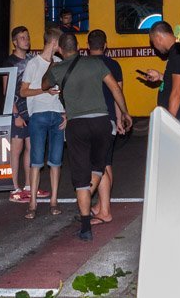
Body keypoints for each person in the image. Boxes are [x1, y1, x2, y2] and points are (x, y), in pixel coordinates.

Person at [46, 33, 129, 240]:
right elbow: (115, 88)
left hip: (77, 125)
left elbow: (44, 84)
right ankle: (95, 201)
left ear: (61, 50)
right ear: (79, 47)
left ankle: (85, 227)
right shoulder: (95, 64)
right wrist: (125, 112)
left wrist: (52, 60)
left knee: (81, 177)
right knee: (98, 168)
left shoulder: (58, 68)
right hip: (102, 122)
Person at [87, 29, 132, 225]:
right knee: (105, 163)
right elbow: (117, 93)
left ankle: (104, 210)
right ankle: (102, 206)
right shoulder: (114, 65)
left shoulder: (85, 65)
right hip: (110, 120)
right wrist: (120, 117)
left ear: (88, 47)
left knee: (99, 165)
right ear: (105, 45)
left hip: (93, 120)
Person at [20, 26, 65, 219]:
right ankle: (32, 203)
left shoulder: (60, 62)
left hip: (58, 116)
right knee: (36, 162)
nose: (61, 47)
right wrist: (43, 90)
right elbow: (23, 92)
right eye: (60, 43)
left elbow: (67, 90)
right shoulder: (33, 64)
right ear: (54, 43)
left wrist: (67, 114)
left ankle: (54, 201)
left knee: (56, 162)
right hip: (38, 115)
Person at [141, 21, 180, 133]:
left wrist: (170, 122)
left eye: (153, 43)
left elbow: (177, 91)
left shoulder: (178, 53)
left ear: (158, 38)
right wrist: (160, 76)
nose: (155, 47)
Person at [2, 26, 34, 202]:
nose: (26, 40)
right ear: (15, 41)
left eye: (27, 37)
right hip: (17, 112)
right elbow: (6, 91)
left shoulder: (31, 60)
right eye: (22, 38)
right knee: (16, 150)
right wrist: (16, 115)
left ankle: (29, 186)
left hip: (31, 111)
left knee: (31, 148)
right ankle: (14, 188)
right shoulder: (9, 63)